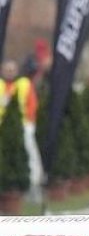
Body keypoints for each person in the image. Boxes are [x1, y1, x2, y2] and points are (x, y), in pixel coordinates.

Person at [1, 59, 43, 195]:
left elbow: (32, 104)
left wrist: (29, 123)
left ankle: (34, 180)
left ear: (17, 71)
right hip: (2, 126)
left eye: (12, 70)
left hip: (23, 124)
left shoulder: (24, 84)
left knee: (29, 149)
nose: (10, 72)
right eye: (7, 70)